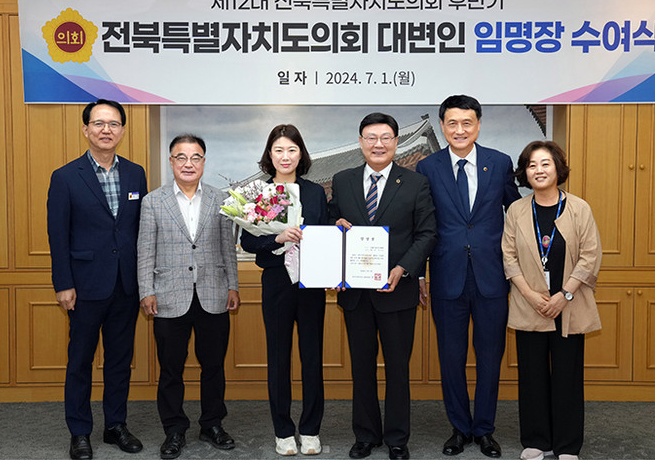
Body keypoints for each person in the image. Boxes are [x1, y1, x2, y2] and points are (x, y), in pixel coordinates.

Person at [415, 94, 520, 458]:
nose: (459, 130)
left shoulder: (499, 162)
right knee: (451, 357)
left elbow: (517, 212)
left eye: (467, 123)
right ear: (442, 126)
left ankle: (484, 429)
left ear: (478, 125)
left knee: (490, 357)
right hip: (447, 275)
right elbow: (421, 223)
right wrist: (418, 274)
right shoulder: (427, 167)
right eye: (452, 123)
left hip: (492, 276)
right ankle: (459, 428)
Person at [329, 112, 437, 460]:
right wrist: (335, 225)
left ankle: (397, 438)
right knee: (361, 367)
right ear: (361, 142)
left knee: (397, 369)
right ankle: (365, 435)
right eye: (371, 138)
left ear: (396, 142)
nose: (378, 144)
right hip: (355, 294)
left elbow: (427, 233)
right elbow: (331, 223)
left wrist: (404, 268)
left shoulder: (416, 183)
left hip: (398, 291)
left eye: (386, 137)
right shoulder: (342, 180)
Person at [47, 99, 147, 460]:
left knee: (120, 360)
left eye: (114, 124)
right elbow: (57, 235)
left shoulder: (135, 174)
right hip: (84, 285)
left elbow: (138, 229)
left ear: (122, 130)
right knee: (80, 362)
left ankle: (115, 425)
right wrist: (63, 284)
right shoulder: (65, 177)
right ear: (86, 129)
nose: (107, 130)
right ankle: (79, 431)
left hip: (125, 284)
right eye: (99, 123)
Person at [137, 134, 240, 460]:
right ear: (171, 162)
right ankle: (174, 429)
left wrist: (233, 285)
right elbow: (145, 250)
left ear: (204, 162)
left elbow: (227, 248)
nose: (188, 163)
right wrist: (146, 291)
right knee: (171, 370)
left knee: (214, 367)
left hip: (213, 293)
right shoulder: (153, 201)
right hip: (169, 296)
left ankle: (212, 424)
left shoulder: (220, 199)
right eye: (181, 157)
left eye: (195, 157)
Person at [501, 141, 602, 460]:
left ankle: (567, 445)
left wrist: (565, 294)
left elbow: (590, 256)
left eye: (545, 163)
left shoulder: (579, 208)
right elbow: (508, 257)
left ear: (558, 168)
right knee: (531, 376)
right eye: (532, 165)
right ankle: (537, 441)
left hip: (569, 304)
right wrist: (530, 295)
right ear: (525, 173)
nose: (539, 170)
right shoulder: (517, 210)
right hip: (530, 303)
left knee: (567, 376)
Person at [240, 124, 328, 456]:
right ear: (269, 154)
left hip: (311, 282)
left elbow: (325, 233)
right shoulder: (258, 192)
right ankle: (283, 430)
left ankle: (311, 428)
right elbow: (248, 241)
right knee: (278, 357)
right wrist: (276, 237)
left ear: (301, 154)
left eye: (292, 149)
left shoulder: (315, 192)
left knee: (312, 357)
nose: (285, 156)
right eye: (279, 150)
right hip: (276, 280)